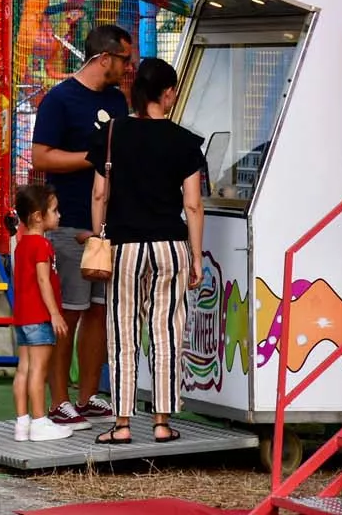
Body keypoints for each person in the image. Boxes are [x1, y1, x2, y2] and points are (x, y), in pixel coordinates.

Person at [89, 57, 205, 444]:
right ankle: (161, 422)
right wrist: (196, 255)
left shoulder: (112, 133)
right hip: (170, 246)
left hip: (123, 247)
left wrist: (97, 239)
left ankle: (122, 424)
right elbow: (192, 205)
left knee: (123, 332)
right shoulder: (185, 142)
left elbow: (99, 192)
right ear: (167, 93)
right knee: (166, 333)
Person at [30, 23, 133, 428]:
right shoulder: (59, 99)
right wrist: (91, 158)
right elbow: (41, 158)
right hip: (69, 223)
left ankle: (89, 395)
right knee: (68, 314)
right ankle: (59, 399)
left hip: (109, 227)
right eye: (124, 59)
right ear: (104, 57)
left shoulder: (116, 100)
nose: (129, 67)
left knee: (100, 313)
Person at [11, 184, 73, 443]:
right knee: (39, 369)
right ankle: (39, 421)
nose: (59, 215)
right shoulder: (41, 245)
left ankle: (22, 421)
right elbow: (43, 280)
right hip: (39, 316)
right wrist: (55, 313)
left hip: (23, 316)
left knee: (23, 368)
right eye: (54, 210)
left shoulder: (21, 245)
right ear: (38, 216)